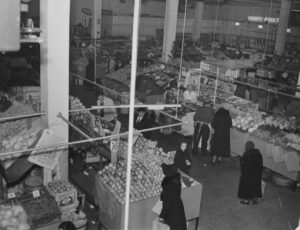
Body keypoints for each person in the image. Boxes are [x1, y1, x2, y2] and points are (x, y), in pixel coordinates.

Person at [159, 164, 187, 230]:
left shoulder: (168, 186)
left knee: (173, 227)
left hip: (171, 213)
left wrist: (161, 216)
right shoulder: (176, 180)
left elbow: (167, 204)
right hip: (178, 208)